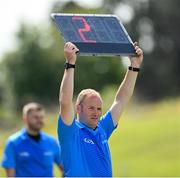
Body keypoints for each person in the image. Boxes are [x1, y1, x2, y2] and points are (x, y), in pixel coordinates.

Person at [58, 42, 143, 176]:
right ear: (78, 108)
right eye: (91, 108)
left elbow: (121, 100)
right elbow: (65, 101)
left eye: (99, 109)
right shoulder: (71, 131)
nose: (96, 113)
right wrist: (70, 64)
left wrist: (134, 66)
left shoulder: (102, 128)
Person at [1, 102, 63, 177]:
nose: (40, 120)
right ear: (25, 119)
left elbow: (65, 168)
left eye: (41, 117)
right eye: (36, 117)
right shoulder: (13, 143)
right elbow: (10, 175)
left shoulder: (51, 142)